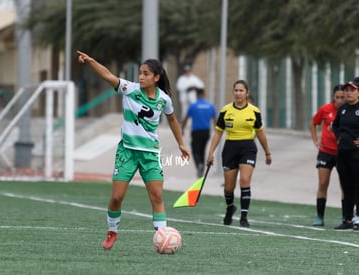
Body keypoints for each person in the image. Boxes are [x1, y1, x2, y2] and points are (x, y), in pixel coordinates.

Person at [76, 51, 190, 249]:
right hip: (127, 152)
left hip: (150, 153)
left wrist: (180, 143)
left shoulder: (164, 99)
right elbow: (107, 76)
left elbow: (172, 119)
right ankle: (112, 231)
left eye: (146, 73)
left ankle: (162, 237)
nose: (141, 77)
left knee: (157, 196)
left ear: (156, 77)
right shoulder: (129, 89)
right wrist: (92, 61)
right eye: (140, 73)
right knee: (116, 197)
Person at [206, 80, 272, 227]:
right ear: (233, 92)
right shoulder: (225, 110)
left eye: (241, 91)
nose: (238, 93)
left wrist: (267, 153)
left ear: (247, 93)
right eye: (236, 90)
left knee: (244, 180)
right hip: (230, 148)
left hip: (247, 147)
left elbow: (261, 134)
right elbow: (218, 133)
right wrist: (210, 153)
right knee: (229, 188)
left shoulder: (254, 111)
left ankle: (244, 217)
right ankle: (230, 208)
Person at [309, 84, 345, 227]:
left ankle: (346, 217)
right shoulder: (325, 109)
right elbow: (313, 123)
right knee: (323, 184)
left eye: (343, 97)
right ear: (333, 97)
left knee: (345, 186)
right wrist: (315, 140)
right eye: (338, 97)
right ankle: (319, 217)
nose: (341, 100)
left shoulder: (349, 111)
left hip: (343, 153)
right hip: (325, 152)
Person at [332, 77, 359, 230]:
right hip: (343, 154)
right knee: (346, 187)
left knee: (357, 187)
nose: (348, 93)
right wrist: (339, 138)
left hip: (357, 155)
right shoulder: (342, 109)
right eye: (346, 90)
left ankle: (358, 218)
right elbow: (335, 126)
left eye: (352, 90)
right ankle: (347, 219)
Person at [181, 88, 217, 178]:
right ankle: (202, 166)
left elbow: (185, 119)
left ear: (197, 95)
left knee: (195, 150)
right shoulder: (210, 106)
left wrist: (182, 129)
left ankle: (199, 165)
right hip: (206, 131)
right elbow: (215, 120)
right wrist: (217, 131)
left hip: (196, 132)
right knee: (202, 149)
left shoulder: (193, 106)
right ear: (204, 94)